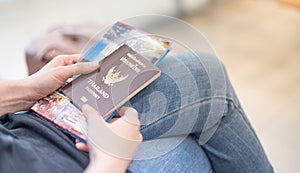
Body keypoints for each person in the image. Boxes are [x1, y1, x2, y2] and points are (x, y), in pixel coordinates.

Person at [0, 52, 274, 173]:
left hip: (28, 123)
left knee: (202, 73)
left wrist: (26, 90)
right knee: (193, 134)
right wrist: (110, 160)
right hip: (78, 161)